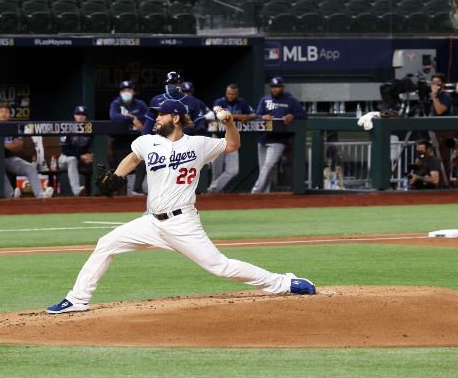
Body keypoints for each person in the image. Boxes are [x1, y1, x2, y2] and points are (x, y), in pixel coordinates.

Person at [46, 99, 316, 314]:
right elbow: (133, 157)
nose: (156, 118)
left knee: (220, 266)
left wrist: (231, 122)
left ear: (175, 118)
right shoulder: (147, 141)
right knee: (106, 243)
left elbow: (233, 144)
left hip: (183, 223)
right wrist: (117, 176)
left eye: (161, 115)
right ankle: (78, 299)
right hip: (152, 222)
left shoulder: (198, 144)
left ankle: (283, 282)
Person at [252, 77, 307, 194]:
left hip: (279, 139)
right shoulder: (265, 100)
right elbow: (257, 115)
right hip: (264, 138)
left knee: (268, 166)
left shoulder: (290, 100)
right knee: (264, 169)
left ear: (282, 87)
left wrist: (292, 115)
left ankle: (255, 192)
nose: (274, 89)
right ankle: (264, 195)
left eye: (277, 87)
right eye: (273, 87)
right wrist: (263, 117)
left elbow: (303, 115)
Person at [0, 103, 52, 199]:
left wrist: (2, 144)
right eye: (1, 112)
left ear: (10, 115)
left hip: (9, 158)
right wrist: (10, 145)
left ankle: (40, 194)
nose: (4, 114)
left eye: (6, 112)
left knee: (30, 168)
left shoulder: (14, 127)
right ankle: (11, 195)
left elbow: (19, 146)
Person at [207, 84, 256, 194]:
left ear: (236, 94)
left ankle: (212, 190)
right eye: (229, 93)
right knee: (217, 171)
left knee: (233, 170)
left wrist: (247, 117)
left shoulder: (241, 103)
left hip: (232, 140)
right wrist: (239, 117)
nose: (231, 96)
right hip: (218, 139)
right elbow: (220, 114)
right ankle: (215, 196)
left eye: (233, 94)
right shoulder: (219, 102)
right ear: (226, 93)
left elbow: (254, 114)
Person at [109, 81, 148, 195]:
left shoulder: (139, 104)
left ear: (133, 91)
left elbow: (147, 116)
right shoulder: (116, 103)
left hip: (136, 140)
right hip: (120, 141)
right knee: (121, 166)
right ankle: (121, 193)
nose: (127, 92)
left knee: (143, 161)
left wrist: (136, 118)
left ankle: (137, 189)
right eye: (124, 90)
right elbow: (114, 116)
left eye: (129, 90)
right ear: (120, 92)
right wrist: (132, 119)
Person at [143, 72, 208, 137]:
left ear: (181, 84)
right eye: (169, 84)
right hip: (162, 139)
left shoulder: (192, 100)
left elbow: (200, 125)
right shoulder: (156, 100)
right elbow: (149, 123)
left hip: (185, 139)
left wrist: (200, 141)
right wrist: (143, 139)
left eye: (175, 83)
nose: (172, 86)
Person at [58, 106, 93, 196]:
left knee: (100, 160)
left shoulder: (90, 129)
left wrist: (92, 156)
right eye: (78, 114)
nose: (80, 117)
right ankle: (77, 191)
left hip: (82, 159)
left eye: (83, 115)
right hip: (64, 159)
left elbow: (95, 146)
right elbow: (65, 150)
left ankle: (105, 189)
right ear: (74, 116)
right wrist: (80, 156)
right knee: (72, 159)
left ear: (86, 117)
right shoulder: (67, 128)